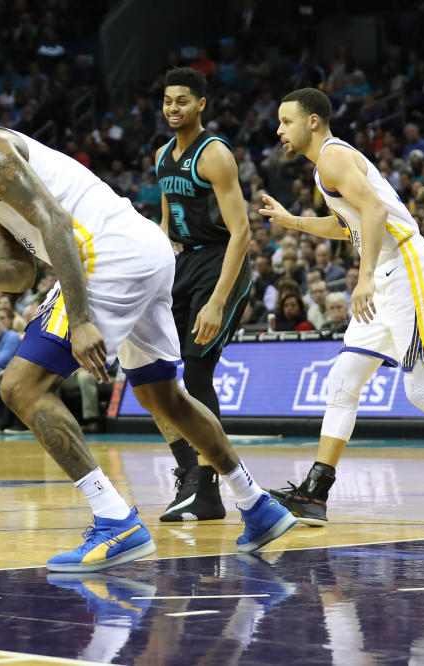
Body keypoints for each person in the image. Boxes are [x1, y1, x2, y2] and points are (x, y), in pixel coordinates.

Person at [0, 79, 294, 571]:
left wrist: (81, 319)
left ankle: (116, 520)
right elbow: (24, 271)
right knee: (164, 396)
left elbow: (55, 225)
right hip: (145, 250)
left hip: (106, 254)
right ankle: (257, 504)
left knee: (19, 387)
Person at [259, 87, 424, 526]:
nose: (279, 130)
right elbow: (353, 226)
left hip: (406, 270)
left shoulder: (332, 157)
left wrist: (361, 280)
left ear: (312, 121)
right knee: (344, 380)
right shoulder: (325, 166)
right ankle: (315, 494)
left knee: (422, 389)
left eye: (286, 121)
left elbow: (377, 214)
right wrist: (293, 222)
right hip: (384, 276)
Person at [154, 67, 253, 523]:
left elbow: (242, 232)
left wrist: (216, 300)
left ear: (201, 105)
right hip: (182, 264)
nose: (173, 108)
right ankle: (190, 476)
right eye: (168, 100)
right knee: (155, 375)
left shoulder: (214, 155)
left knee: (196, 372)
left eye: (182, 101)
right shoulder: (161, 157)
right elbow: (165, 226)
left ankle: (210, 489)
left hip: (221, 262)